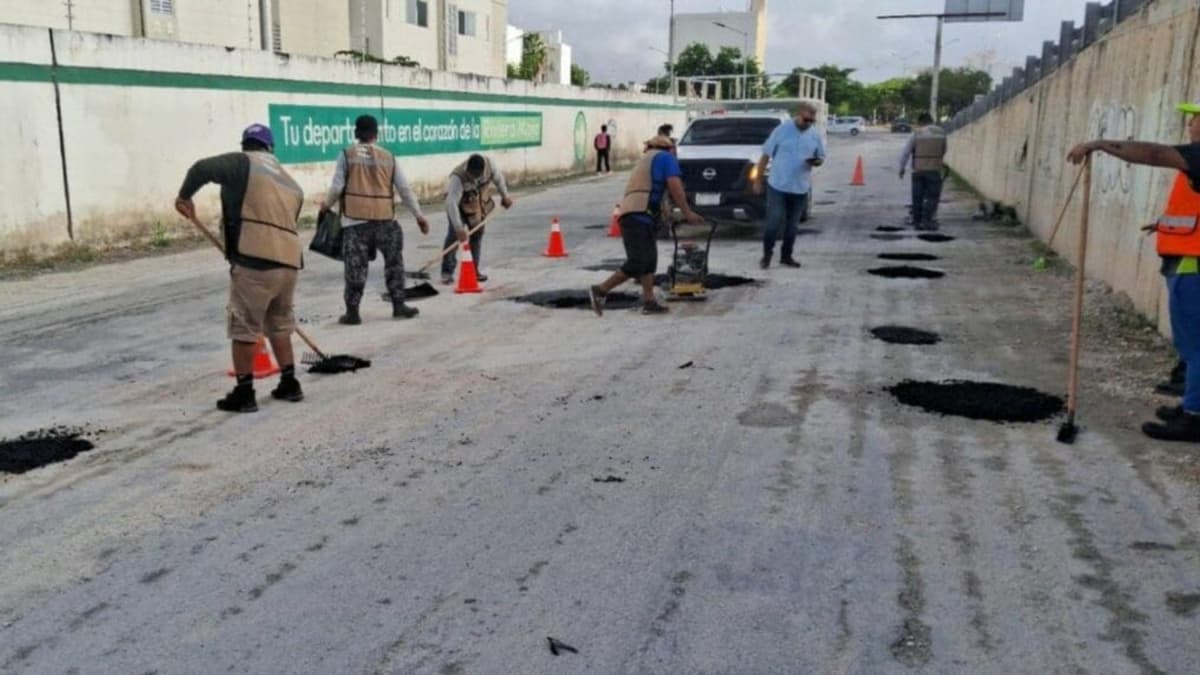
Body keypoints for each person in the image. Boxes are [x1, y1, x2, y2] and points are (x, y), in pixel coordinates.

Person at [1067, 100, 1200, 441]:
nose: (1191, 125)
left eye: (1196, 119)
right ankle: (1191, 404)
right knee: (1190, 346)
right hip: (1185, 261)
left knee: (1196, 347)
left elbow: (1154, 154)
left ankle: (1195, 416)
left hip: (1193, 265)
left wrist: (1100, 144)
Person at [175, 124, 304, 413]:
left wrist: (184, 197)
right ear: (270, 148)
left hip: (255, 260)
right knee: (279, 323)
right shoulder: (290, 182)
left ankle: (244, 393)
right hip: (289, 262)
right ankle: (290, 382)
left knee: (244, 325)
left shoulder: (240, 162)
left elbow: (200, 169)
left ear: (246, 144)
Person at [319, 115, 429, 325]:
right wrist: (419, 216)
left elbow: (336, 187)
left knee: (355, 268)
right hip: (385, 221)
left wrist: (326, 206)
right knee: (394, 263)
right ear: (376, 135)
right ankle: (398, 305)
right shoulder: (388, 157)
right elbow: (404, 189)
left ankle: (353, 312)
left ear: (355, 133)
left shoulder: (346, 155)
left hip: (355, 222)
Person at [589, 135, 703, 316]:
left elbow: (654, 190)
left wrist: (667, 216)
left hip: (635, 215)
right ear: (670, 148)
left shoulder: (647, 158)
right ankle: (601, 290)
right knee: (638, 261)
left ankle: (649, 301)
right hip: (638, 215)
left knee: (649, 261)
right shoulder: (666, 158)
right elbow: (675, 186)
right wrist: (687, 212)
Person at [753, 102, 826, 269]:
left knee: (792, 225)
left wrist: (817, 161)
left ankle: (786, 256)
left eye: (812, 121)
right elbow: (765, 156)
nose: (808, 123)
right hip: (778, 185)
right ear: (799, 114)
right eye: (806, 119)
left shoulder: (814, 135)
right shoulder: (781, 130)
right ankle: (766, 255)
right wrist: (757, 180)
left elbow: (821, 156)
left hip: (800, 187)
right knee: (774, 221)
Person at [441, 154, 514, 285]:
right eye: (470, 176)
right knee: (453, 236)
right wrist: (458, 228)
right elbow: (451, 203)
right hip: (458, 207)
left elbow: (499, 180)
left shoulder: (490, 166)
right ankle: (447, 272)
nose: (472, 178)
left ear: (482, 172)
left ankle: (473, 271)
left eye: (475, 176)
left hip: (476, 206)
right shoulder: (458, 177)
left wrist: (505, 196)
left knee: (477, 235)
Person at [898, 112, 948, 230]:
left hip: (918, 170)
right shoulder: (941, 132)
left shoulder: (917, 133)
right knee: (932, 197)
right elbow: (944, 150)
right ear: (931, 120)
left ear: (921, 122)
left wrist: (902, 168)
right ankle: (927, 220)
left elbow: (906, 152)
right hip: (934, 169)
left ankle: (917, 221)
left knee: (917, 196)